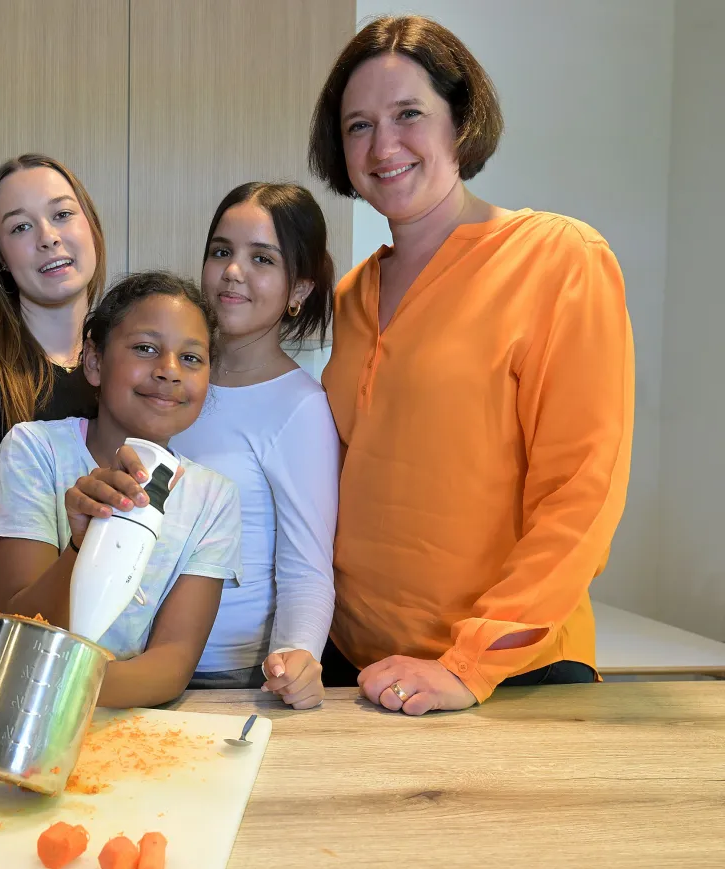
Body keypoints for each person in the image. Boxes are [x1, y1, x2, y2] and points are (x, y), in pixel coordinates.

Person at [308, 15, 634, 714]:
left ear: (460, 121)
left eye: (408, 115)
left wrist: (469, 663)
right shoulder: (352, 294)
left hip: (503, 680)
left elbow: (583, 492)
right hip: (353, 667)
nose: (382, 144)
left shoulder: (558, 258)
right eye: (358, 125)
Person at [0, 270, 243, 709]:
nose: (169, 371)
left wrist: (59, 698)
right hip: (20, 714)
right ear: (95, 362)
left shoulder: (213, 498)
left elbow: (171, 664)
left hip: (119, 718)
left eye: (192, 358)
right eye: (145, 348)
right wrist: (82, 546)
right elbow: (21, 630)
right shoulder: (34, 450)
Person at [170, 182, 339, 709]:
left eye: (261, 258)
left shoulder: (301, 407)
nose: (233, 272)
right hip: (134, 663)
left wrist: (295, 659)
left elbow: (306, 569)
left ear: (299, 290)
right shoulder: (168, 378)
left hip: (229, 680)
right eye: (221, 252)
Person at [0, 154, 105, 488]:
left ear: (91, 225)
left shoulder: (128, 356)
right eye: (21, 227)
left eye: (62, 214)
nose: (48, 237)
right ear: (0, 256)